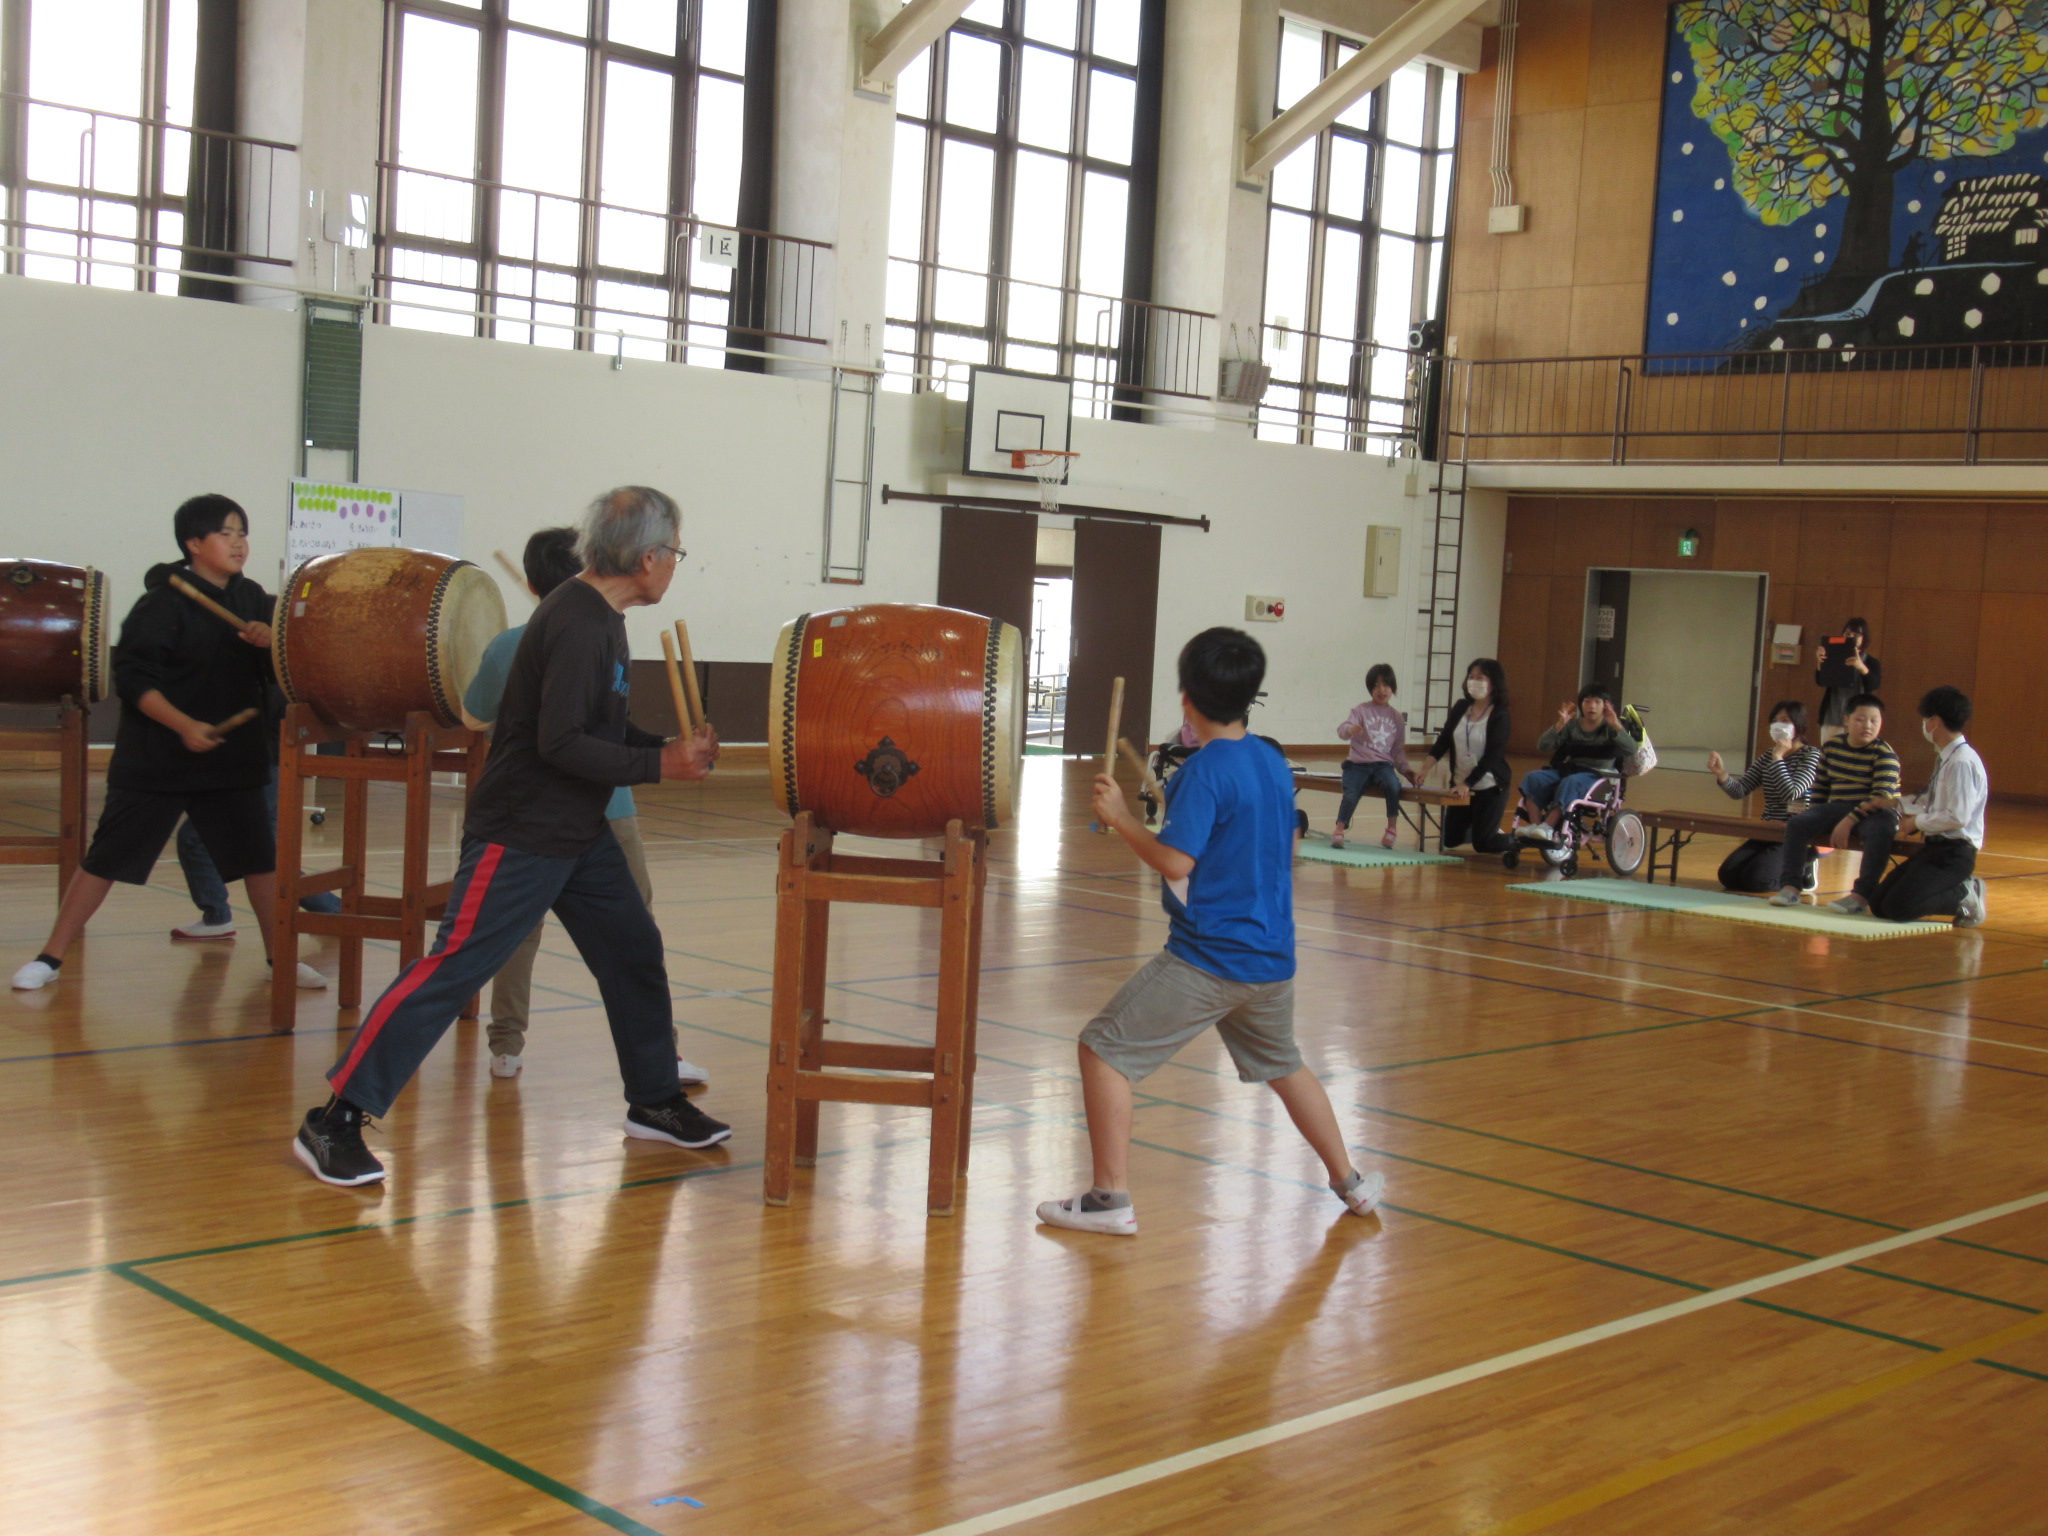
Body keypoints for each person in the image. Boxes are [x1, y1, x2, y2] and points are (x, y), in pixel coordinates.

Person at [291, 487, 725, 1187]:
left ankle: (654, 1099)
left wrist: (663, 746)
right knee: (455, 967)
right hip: (523, 831)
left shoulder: (601, 615)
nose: (675, 564)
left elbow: (598, 729)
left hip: (574, 831)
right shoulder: (581, 622)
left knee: (632, 950)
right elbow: (559, 744)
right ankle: (334, 1119)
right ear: (647, 558)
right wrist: (659, 765)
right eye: (674, 551)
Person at [1035, 627, 1386, 1236]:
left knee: (1102, 1050)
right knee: (1286, 1064)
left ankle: (1108, 1198)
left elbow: (1176, 862)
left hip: (1211, 959)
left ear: (1186, 698)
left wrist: (1121, 818)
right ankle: (1351, 1183)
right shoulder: (1272, 761)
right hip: (1271, 957)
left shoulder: (1202, 773)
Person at [12, 495, 325, 992]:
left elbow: (282, 672)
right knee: (106, 858)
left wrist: (274, 643)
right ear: (193, 543)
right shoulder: (161, 603)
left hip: (231, 758)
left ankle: (279, 957)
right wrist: (183, 725)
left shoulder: (253, 600)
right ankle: (50, 957)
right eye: (226, 533)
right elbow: (134, 680)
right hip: (157, 758)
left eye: (242, 532)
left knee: (260, 862)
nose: (239, 543)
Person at [461, 525, 708, 1087]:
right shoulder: (581, 629)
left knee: (545, 936)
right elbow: (566, 738)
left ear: (529, 581)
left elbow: (473, 718)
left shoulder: (523, 641)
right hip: (593, 808)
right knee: (634, 931)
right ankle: (662, 1058)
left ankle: (507, 1045)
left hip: (582, 808)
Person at [170, 683, 343, 939]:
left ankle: (217, 917)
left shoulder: (264, 673)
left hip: (257, 772)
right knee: (266, 859)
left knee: (198, 841)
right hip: (263, 768)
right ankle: (331, 911)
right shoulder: (266, 670)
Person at [1770, 693, 1901, 912]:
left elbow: (1880, 798)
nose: (1867, 725)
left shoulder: (1884, 754)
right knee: (1798, 823)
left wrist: (1849, 821)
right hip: (1839, 806)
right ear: (1846, 720)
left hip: (1876, 811)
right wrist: (1813, 815)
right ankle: (1791, 888)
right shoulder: (1832, 747)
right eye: (1860, 719)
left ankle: (1860, 896)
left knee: (1880, 831)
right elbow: (1821, 788)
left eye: (1874, 721)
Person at [1875, 686, 1988, 926]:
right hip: (1934, 849)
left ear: (1935, 721)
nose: (1924, 725)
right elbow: (1931, 800)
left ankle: (1966, 895)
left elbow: (1958, 817)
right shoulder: (1947, 757)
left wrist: (1915, 822)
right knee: (1879, 904)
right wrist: (1894, 803)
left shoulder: (1961, 762)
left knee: (1899, 907)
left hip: (1954, 854)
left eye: (1926, 719)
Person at [1707, 700, 1822, 893]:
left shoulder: (1811, 756)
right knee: (1728, 875)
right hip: (1768, 829)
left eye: (1784, 720)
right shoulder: (1769, 755)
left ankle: (1804, 864)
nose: (1778, 725)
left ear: (1798, 724)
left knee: (1758, 880)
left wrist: (1778, 759)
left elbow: (1792, 793)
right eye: (1775, 721)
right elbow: (1740, 791)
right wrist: (1721, 774)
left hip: (1794, 832)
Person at [1516, 684, 1640, 842]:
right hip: (1570, 770)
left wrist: (1616, 724)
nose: (1592, 706)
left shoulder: (1610, 727)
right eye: (1587, 701)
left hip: (1597, 776)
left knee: (1570, 782)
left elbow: (1631, 749)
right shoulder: (1573, 726)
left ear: (1605, 706)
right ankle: (1535, 827)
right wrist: (1560, 724)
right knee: (1532, 778)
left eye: (1597, 702)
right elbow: (1542, 746)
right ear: (1581, 704)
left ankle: (1547, 827)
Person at [1422, 659, 1513, 855]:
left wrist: (1468, 783)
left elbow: (1493, 756)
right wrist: (1424, 769)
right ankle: (1484, 826)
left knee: (1483, 845)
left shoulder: (1500, 715)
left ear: (1493, 683)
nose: (1474, 681)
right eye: (1471, 677)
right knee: (1450, 839)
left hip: (1489, 786)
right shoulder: (1461, 707)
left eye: (1480, 678)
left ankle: (1516, 839)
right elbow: (1444, 740)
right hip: (1460, 785)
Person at [1330, 664, 1415, 849]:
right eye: (1376, 685)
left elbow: (1398, 749)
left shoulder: (1397, 718)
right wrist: (1350, 729)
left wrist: (1406, 769)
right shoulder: (1360, 710)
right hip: (1357, 764)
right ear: (1370, 689)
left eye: (1386, 685)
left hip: (1383, 765)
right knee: (1351, 793)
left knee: (1393, 786)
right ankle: (1339, 829)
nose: (1381, 690)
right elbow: (1342, 730)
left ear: (1393, 688)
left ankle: (1391, 829)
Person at [1814, 618, 1880, 743]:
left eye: (1856, 635)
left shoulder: (1871, 662)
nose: (1851, 637)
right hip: (1832, 717)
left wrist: (1862, 668)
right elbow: (1821, 681)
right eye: (1847, 634)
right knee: (1829, 754)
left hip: (1858, 720)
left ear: (1864, 638)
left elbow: (1874, 685)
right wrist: (1820, 662)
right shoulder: (1834, 655)